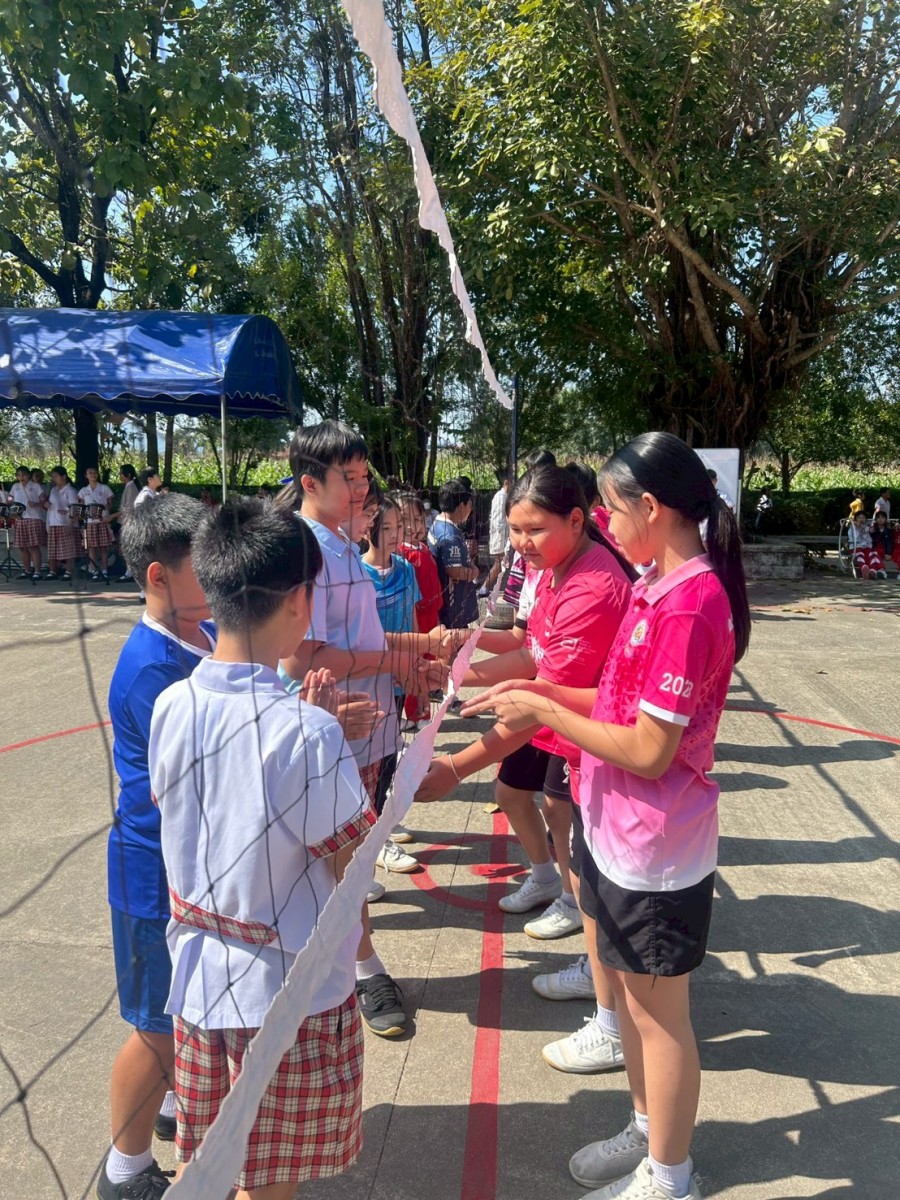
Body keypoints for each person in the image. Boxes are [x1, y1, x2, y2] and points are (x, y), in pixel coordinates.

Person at [461, 432, 750, 1200]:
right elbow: (616, 700)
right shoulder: (656, 585)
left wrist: (540, 706)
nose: (605, 525)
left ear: (651, 508)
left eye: (612, 511)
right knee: (635, 1007)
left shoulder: (689, 604)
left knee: (659, 1020)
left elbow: (650, 748)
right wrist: (536, 693)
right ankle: (649, 1131)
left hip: (657, 845)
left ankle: (671, 1175)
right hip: (619, 828)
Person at [150, 499, 371, 1200]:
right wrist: (328, 746)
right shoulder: (306, 734)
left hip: (198, 983)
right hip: (285, 996)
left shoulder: (171, 705)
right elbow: (347, 865)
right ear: (300, 600)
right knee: (267, 1185)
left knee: (210, 1169)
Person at [417, 466, 634, 1075]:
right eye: (514, 530)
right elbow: (531, 654)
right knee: (584, 883)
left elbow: (541, 699)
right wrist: (458, 670)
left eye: (533, 529)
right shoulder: (556, 569)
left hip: (599, 752)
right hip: (581, 746)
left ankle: (613, 1025)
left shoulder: (594, 586)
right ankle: (601, 987)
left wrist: (455, 767)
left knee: (593, 889)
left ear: (577, 519)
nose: (520, 543)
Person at [278, 420, 446, 1037]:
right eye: (348, 478)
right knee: (343, 862)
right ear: (309, 482)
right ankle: (364, 968)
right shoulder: (305, 551)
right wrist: (400, 659)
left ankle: (337, 961)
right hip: (333, 728)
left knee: (353, 857)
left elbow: (361, 638)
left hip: (365, 728)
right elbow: (305, 658)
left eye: (362, 476)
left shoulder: (342, 543)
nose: (361, 489)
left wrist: (419, 649)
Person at [98, 494, 216, 1200]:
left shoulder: (204, 633)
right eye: (204, 564)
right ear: (158, 576)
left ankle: (171, 1107)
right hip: (151, 871)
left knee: (184, 1014)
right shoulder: (151, 668)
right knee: (156, 1030)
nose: (219, 574)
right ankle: (125, 1170)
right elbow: (185, 786)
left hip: (190, 864)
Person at [361, 493, 422, 861]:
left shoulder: (406, 569)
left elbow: (413, 622)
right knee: (371, 759)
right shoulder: (356, 573)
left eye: (399, 526)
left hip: (399, 678)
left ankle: (380, 821)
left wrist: (415, 668)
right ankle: (373, 836)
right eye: (386, 527)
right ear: (369, 529)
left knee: (389, 754)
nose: (396, 533)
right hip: (368, 678)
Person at [430, 478, 480, 714]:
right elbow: (455, 571)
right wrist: (473, 571)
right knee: (451, 647)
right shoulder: (449, 534)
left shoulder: (437, 524)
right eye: (470, 505)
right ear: (461, 505)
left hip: (444, 600)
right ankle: (444, 692)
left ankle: (437, 687)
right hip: (451, 602)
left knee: (449, 646)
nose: (470, 510)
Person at [396, 491, 443, 726]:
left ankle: (422, 712)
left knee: (427, 662)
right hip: (416, 617)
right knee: (414, 663)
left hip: (432, 616)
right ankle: (415, 714)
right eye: (405, 520)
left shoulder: (424, 548)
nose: (412, 525)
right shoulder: (401, 553)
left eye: (417, 519)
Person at [11, 464, 47, 579]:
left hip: (34, 517)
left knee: (33, 546)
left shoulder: (35, 485)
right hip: (20, 518)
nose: (21, 477)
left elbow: (44, 500)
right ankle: (27, 570)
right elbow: (11, 500)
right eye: (19, 475)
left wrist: (36, 504)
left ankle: (37, 571)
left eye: (24, 475)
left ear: (28, 475)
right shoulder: (15, 486)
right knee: (22, 546)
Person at [78, 466, 115, 580]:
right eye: (90, 473)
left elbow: (110, 503)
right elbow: (81, 506)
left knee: (103, 547)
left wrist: (104, 507)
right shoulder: (83, 491)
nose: (93, 475)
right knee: (92, 548)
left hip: (102, 520)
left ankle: (104, 570)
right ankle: (94, 570)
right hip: (90, 522)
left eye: (95, 472)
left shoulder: (104, 488)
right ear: (86, 475)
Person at [46, 466, 79, 581]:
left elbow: (74, 508)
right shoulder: (53, 490)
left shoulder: (71, 491)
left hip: (66, 523)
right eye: (53, 477)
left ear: (64, 476)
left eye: (56, 476)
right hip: (54, 522)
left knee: (68, 549)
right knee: (53, 548)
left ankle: (69, 570)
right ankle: (53, 571)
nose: (54, 479)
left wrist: (70, 523)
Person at [480, 470, 510, 596]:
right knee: (499, 564)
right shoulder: (501, 497)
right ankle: (484, 587)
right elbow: (498, 521)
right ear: (506, 482)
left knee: (502, 564)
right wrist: (509, 532)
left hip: (503, 535)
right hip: (500, 536)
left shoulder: (505, 496)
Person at [848, 510, 884, 579]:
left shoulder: (866, 527)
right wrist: (857, 528)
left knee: (871, 554)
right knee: (860, 554)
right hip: (856, 547)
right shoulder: (852, 528)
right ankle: (864, 568)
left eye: (863, 518)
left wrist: (868, 531)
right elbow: (854, 539)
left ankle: (872, 571)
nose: (861, 519)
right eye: (859, 518)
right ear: (855, 520)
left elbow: (868, 539)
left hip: (866, 547)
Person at [870, 509, 900, 578]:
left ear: (885, 519)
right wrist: (872, 533)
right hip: (875, 549)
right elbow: (872, 541)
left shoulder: (889, 530)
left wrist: (888, 553)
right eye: (878, 518)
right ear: (876, 519)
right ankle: (880, 571)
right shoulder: (873, 529)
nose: (880, 519)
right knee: (874, 553)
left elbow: (890, 542)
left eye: (882, 518)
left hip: (885, 549)